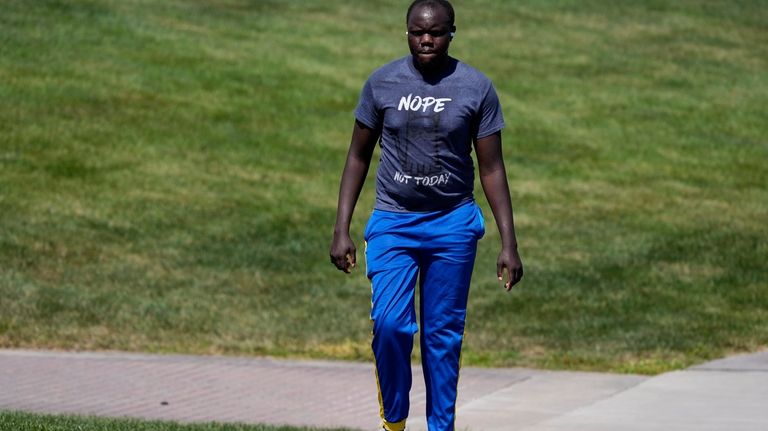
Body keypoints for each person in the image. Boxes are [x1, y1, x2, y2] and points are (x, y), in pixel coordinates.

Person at [329, 1, 523, 430]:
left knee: (442, 338)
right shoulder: (382, 83)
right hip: (394, 222)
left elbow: (491, 167)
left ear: (452, 32)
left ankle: (441, 427)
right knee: (391, 325)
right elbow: (358, 156)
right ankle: (394, 421)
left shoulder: (476, 87)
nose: (426, 40)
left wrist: (509, 243)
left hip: (452, 223)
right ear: (407, 33)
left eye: (435, 33)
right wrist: (341, 228)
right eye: (417, 33)